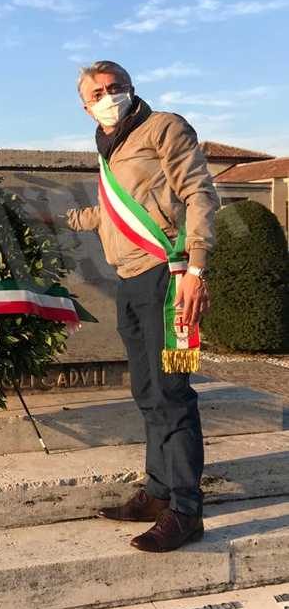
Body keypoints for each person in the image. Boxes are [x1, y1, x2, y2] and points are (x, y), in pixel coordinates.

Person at [66, 60, 219, 552]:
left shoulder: (162, 128)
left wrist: (196, 270)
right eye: (98, 93)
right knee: (148, 392)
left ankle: (185, 511)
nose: (109, 97)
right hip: (129, 282)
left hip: (168, 278)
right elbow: (115, 211)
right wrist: (60, 218)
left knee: (172, 394)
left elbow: (199, 193)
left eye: (116, 88)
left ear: (131, 89)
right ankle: (157, 492)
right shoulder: (109, 146)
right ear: (85, 106)